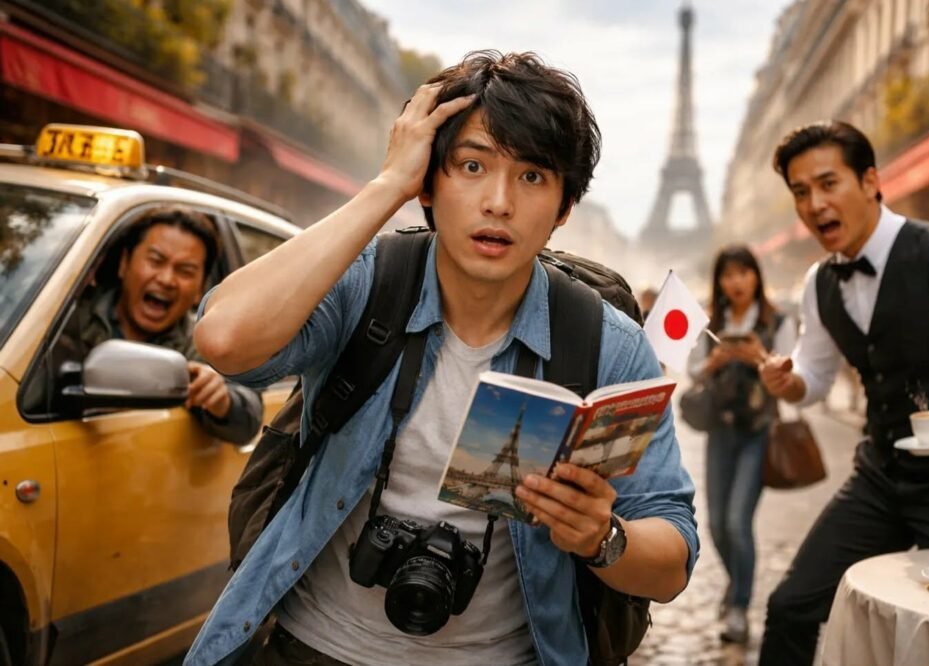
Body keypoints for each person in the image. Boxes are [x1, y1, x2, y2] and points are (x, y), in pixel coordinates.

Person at [186, 51, 699, 665]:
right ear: (429, 181)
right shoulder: (368, 288)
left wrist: (600, 538)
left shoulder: (609, 343)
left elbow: (671, 562)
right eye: (472, 165)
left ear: (565, 208)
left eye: (533, 176)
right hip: (312, 648)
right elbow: (224, 342)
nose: (499, 202)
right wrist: (386, 187)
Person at [757, 120, 929, 666]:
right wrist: (790, 381)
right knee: (791, 607)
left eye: (829, 183)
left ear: (872, 180)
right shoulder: (818, 282)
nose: (814, 204)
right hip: (878, 478)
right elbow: (816, 376)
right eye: (801, 192)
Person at [70, 207, 262, 444]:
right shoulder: (69, 317)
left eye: (185, 271)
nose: (166, 279)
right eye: (155, 261)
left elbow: (249, 416)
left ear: (200, 290)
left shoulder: (203, 344)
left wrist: (222, 400)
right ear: (124, 263)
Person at [686, 245, 796, 644]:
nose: (735, 282)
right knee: (714, 523)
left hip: (758, 432)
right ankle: (737, 584)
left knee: (737, 521)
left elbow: (790, 373)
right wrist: (711, 363)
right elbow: (692, 369)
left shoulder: (776, 320)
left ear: (756, 276)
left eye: (742, 273)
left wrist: (760, 356)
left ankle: (739, 607)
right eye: (727, 275)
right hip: (720, 431)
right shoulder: (710, 322)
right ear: (719, 281)